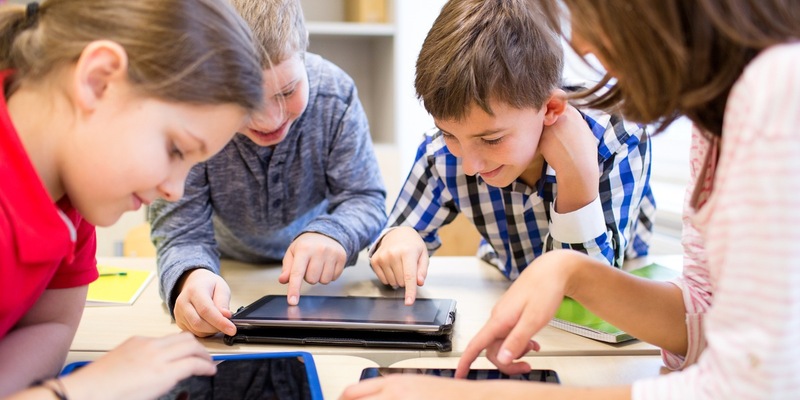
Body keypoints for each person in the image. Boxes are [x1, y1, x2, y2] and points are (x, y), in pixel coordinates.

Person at [340, 0, 800, 398]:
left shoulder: (773, 93)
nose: (578, 44)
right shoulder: (713, 124)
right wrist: (568, 270)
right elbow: (703, 315)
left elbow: (754, 385)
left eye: (582, 14)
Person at [0, 0, 264, 398]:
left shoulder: (74, 196)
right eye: (176, 149)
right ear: (98, 80)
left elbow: (49, 326)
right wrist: (79, 391)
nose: (175, 190)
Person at [368, 0, 655, 305]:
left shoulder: (617, 137)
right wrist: (397, 240)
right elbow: (395, 237)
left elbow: (588, 290)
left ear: (551, 108)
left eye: (491, 140)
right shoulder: (440, 152)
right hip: (505, 284)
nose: (470, 165)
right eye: (449, 133)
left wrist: (577, 174)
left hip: (618, 294)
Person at [148, 0, 387, 338]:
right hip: (223, 270)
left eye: (288, 91)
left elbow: (364, 197)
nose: (270, 119)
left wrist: (336, 232)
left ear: (304, 55)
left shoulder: (336, 95)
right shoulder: (193, 112)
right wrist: (190, 277)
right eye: (246, 102)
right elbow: (181, 232)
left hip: (318, 283)